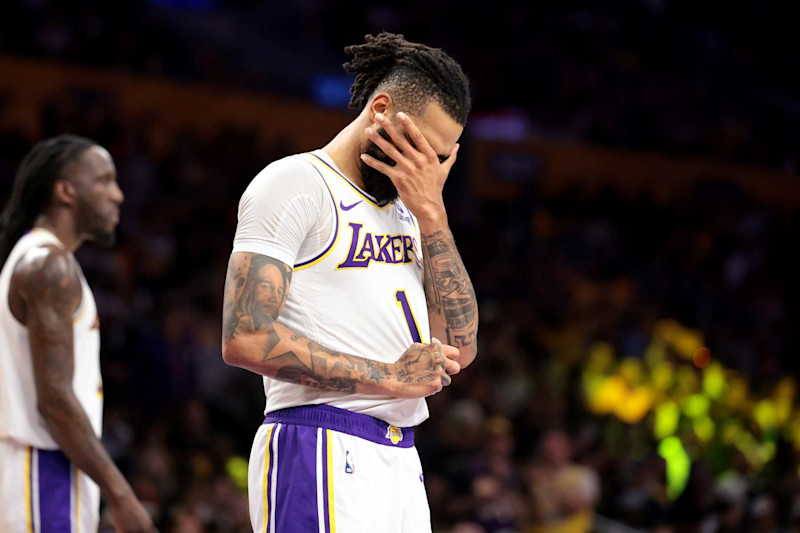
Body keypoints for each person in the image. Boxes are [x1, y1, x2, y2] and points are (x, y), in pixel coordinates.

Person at [221, 32, 478, 532]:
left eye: (442, 159)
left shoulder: (412, 210)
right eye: (423, 148)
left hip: (401, 457)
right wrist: (390, 376)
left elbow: (460, 348)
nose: (429, 168)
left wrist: (433, 215)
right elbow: (244, 336)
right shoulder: (295, 183)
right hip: (319, 438)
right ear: (381, 109)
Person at [0, 135, 154, 532]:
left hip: (47, 468)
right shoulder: (48, 267)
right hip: (40, 467)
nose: (117, 195)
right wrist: (121, 494)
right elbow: (55, 401)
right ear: (65, 191)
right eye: (104, 180)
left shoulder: (40, 260)